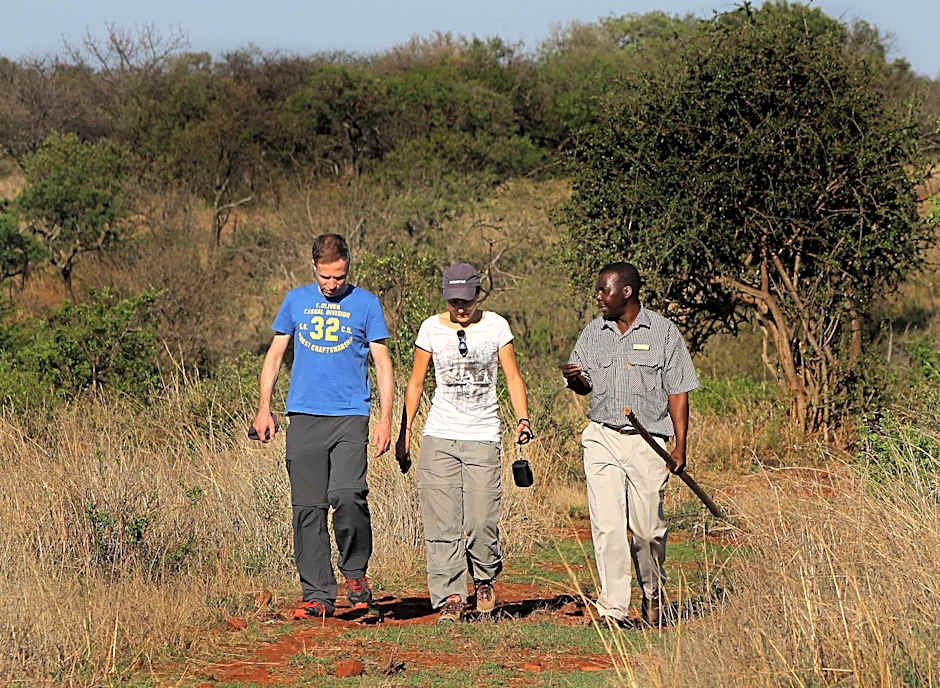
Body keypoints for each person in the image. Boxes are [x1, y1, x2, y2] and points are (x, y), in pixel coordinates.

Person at [252, 233, 394, 620]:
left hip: (351, 414)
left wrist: (385, 419)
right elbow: (275, 354)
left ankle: (355, 575)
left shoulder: (365, 303)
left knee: (348, 495)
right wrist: (265, 409)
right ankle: (317, 595)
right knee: (308, 509)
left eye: (339, 277)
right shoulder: (296, 301)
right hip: (304, 416)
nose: (333, 285)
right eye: (326, 277)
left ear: (348, 267)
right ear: (313, 267)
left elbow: (382, 362)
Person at [560, 262, 699, 627]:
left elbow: (679, 391)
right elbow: (584, 385)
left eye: (604, 290)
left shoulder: (664, 333)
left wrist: (679, 446)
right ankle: (612, 609)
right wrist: (575, 380)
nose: (598, 297)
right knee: (607, 526)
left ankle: (653, 595)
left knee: (648, 530)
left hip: (648, 442)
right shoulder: (594, 332)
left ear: (626, 292)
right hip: (603, 437)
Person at [397, 263, 533, 623]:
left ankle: (485, 577)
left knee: (480, 520)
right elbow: (416, 383)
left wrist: (522, 419)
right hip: (439, 435)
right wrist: (405, 432)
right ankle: (451, 596)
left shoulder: (496, 327)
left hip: (482, 435)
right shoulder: (430, 328)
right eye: (455, 300)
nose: (461, 308)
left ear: (478, 296)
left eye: (467, 300)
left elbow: (513, 377)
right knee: (442, 522)